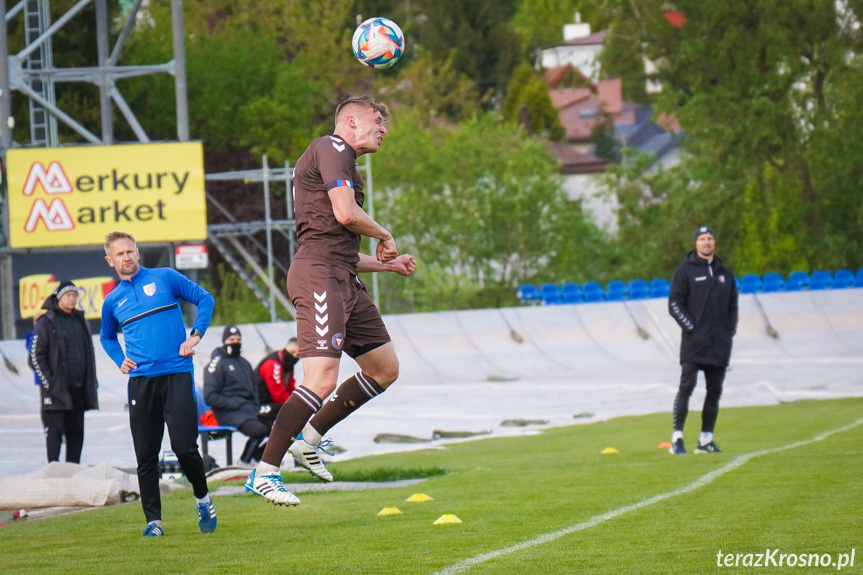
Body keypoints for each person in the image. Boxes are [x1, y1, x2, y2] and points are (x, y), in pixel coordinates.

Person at [246, 95, 417, 506]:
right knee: (320, 378)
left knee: (384, 367)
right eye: (378, 120)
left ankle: (310, 437)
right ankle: (265, 471)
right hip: (319, 276)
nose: (384, 129)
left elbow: (340, 244)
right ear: (352, 121)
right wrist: (385, 235)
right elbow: (345, 214)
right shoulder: (332, 147)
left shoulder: (345, 162)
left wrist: (389, 267)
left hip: (341, 275)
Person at [100, 231, 217, 537]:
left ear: (137, 252)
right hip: (141, 383)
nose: (126, 257)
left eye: (130, 251)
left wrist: (196, 334)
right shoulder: (112, 301)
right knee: (146, 455)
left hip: (177, 373)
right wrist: (118, 358)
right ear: (110, 261)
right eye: (120, 254)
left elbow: (205, 299)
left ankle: (203, 499)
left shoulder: (165, 277)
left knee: (184, 447)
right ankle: (154, 522)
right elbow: (107, 337)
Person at [667, 225, 739, 455]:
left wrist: (728, 332)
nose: (706, 242)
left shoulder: (724, 275)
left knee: (714, 390)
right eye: (702, 239)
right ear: (696, 243)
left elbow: (732, 307)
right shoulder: (684, 272)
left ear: (714, 243)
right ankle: (677, 439)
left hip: (719, 345)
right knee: (686, 387)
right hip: (694, 343)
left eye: (710, 239)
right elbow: (674, 304)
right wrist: (692, 328)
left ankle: (705, 441)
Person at [29, 282, 99, 464]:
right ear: (59, 297)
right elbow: (35, 358)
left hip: (78, 388)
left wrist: (91, 381)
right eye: (68, 295)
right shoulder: (46, 322)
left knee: (76, 433)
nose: (72, 298)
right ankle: (54, 472)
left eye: (74, 295)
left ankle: (72, 472)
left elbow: (88, 353)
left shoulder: (80, 320)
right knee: (54, 432)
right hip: (56, 390)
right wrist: (49, 384)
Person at [204, 325, 269, 466]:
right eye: (231, 339)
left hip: (248, 410)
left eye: (238, 339)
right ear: (224, 341)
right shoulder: (217, 364)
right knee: (259, 431)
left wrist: (254, 406)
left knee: (278, 427)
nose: (235, 342)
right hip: (228, 412)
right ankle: (244, 462)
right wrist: (235, 404)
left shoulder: (244, 363)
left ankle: (255, 458)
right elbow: (209, 396)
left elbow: (254, 390)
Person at [254, 337, 300, 429]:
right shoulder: (272, 364)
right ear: (285, 349)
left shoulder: (288, 367)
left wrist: (302, 400)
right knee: (292, 411)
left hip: (269, 404)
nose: (294, 356)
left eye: (298, 355)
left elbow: (291, 389)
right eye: (292, 352)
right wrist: (299, 403)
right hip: (256, 405)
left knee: (296, 411)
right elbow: (278, 396)